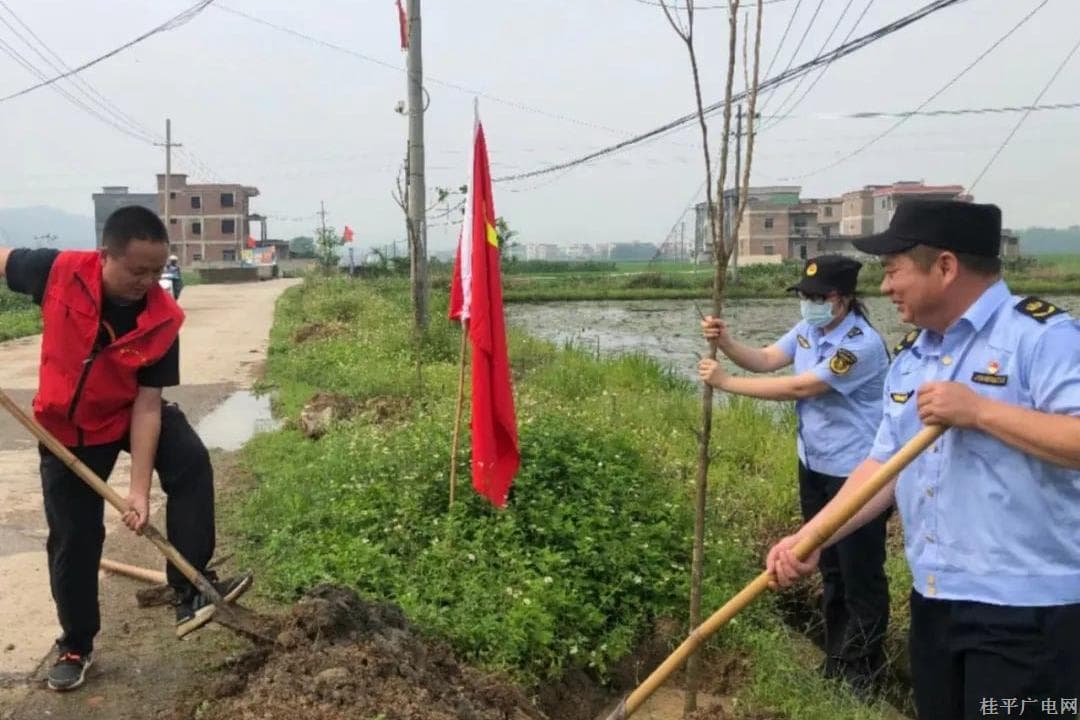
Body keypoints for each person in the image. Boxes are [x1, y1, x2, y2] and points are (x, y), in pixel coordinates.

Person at [766, 200, 1080, 719]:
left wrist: (980, 411)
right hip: (935, 603)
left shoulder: (1042, 339)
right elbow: (882, 468)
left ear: (946, 267)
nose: (886, 288)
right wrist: (814, 537)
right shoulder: (912, 357)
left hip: (1029, 616)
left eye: (893, 271)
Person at [0, 206, 251, 692]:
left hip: (126, 411)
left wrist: (138, 492)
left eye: (158, 271)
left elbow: (148, 405)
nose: (148, 281)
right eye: (138, 270)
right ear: (104, 256)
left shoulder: (163, 317)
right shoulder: (57, 270)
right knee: (75, 540)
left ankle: (189, 588)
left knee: (190, 463)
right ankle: (76, 644)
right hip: (66, 429)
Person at [698, 254, 892, 694]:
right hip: (815, 465)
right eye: (803, 296)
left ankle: (862, 675)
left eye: (816, 297)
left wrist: (726, 384)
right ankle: (836, 662)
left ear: (840, 299)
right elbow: (767, 359)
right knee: (829, 566)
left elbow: (801, 386)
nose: (807, 304)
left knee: (860, 572)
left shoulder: (859, 344)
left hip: (857, 475)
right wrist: (726, 343)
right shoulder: (808, 330)